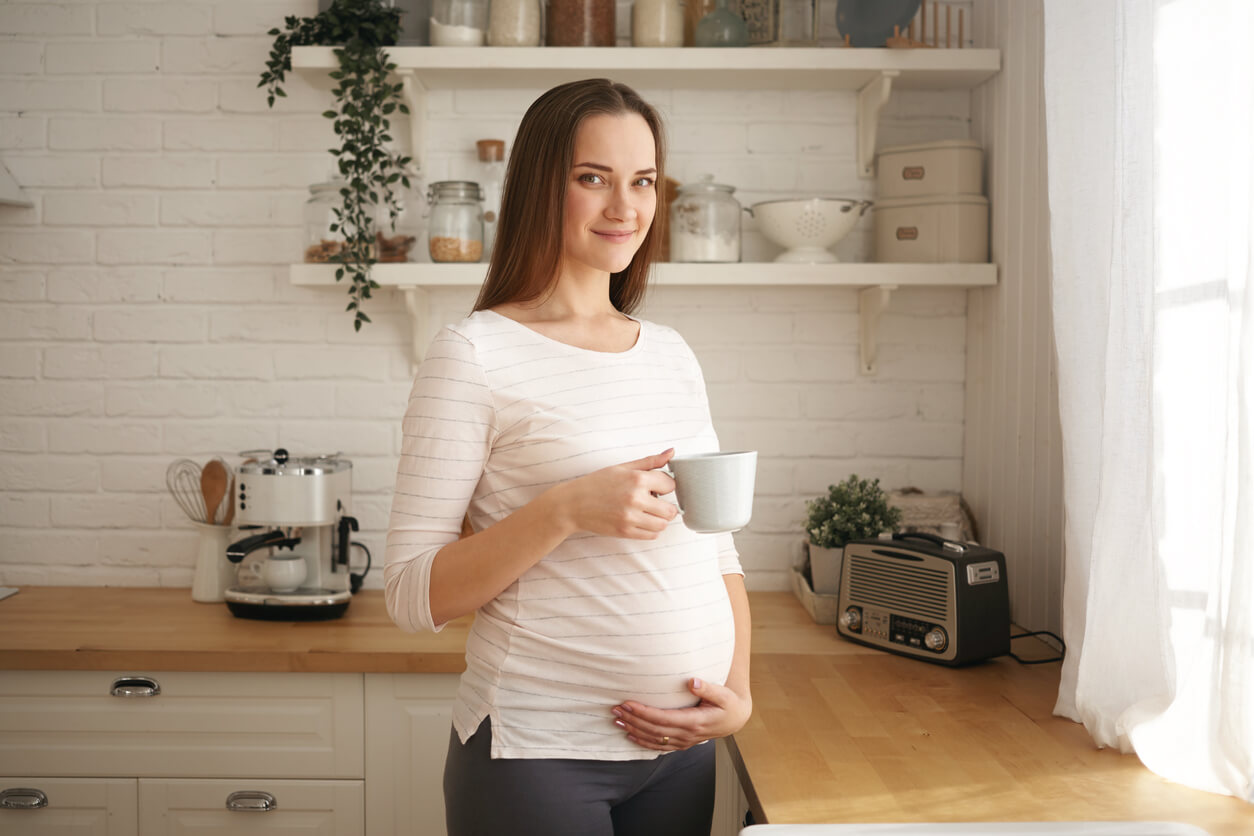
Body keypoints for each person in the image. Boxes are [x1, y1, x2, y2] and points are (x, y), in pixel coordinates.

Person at [384, 77, 752, 836]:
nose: (625, 207)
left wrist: (737, 696)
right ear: (539, 188)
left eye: (642, 181)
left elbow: (718, 553)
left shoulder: (672, 353)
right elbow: (412, 594)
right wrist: (564, 510)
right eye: (593, 178)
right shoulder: (474, 353)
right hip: (537, 755)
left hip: (681, 751)